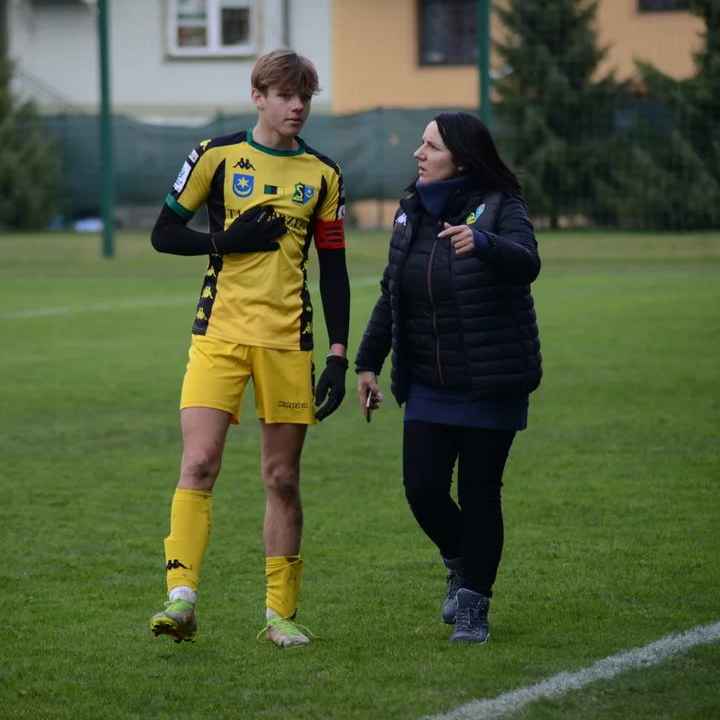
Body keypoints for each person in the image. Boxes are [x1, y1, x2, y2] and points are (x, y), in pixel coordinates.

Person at [147, 49, 351, 649]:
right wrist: (225, 240)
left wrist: (338, 354)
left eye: (306, 97)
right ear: (258, 96)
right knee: (199, 463)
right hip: (219, 337)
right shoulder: (217, 155)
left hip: (288, 343)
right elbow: (162, 233)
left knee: (282, 477)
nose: (298, 107)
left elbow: (334, 268)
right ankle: (180, 601)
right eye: (287, 95)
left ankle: (279, 616)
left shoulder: (323, 174)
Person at [354, 112, 541, 644]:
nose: (418, 153)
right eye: (421, 144)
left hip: (491, 376)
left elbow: (527, 261)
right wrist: (369, 362)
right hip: (432, 382)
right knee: (424, 489)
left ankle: (474, 607)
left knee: (480, 495)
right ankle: (461, 562)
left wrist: (483, 243)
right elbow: (393, 292)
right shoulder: (412, 210)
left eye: (430, 146)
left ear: (460, 158)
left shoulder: (503, 207)